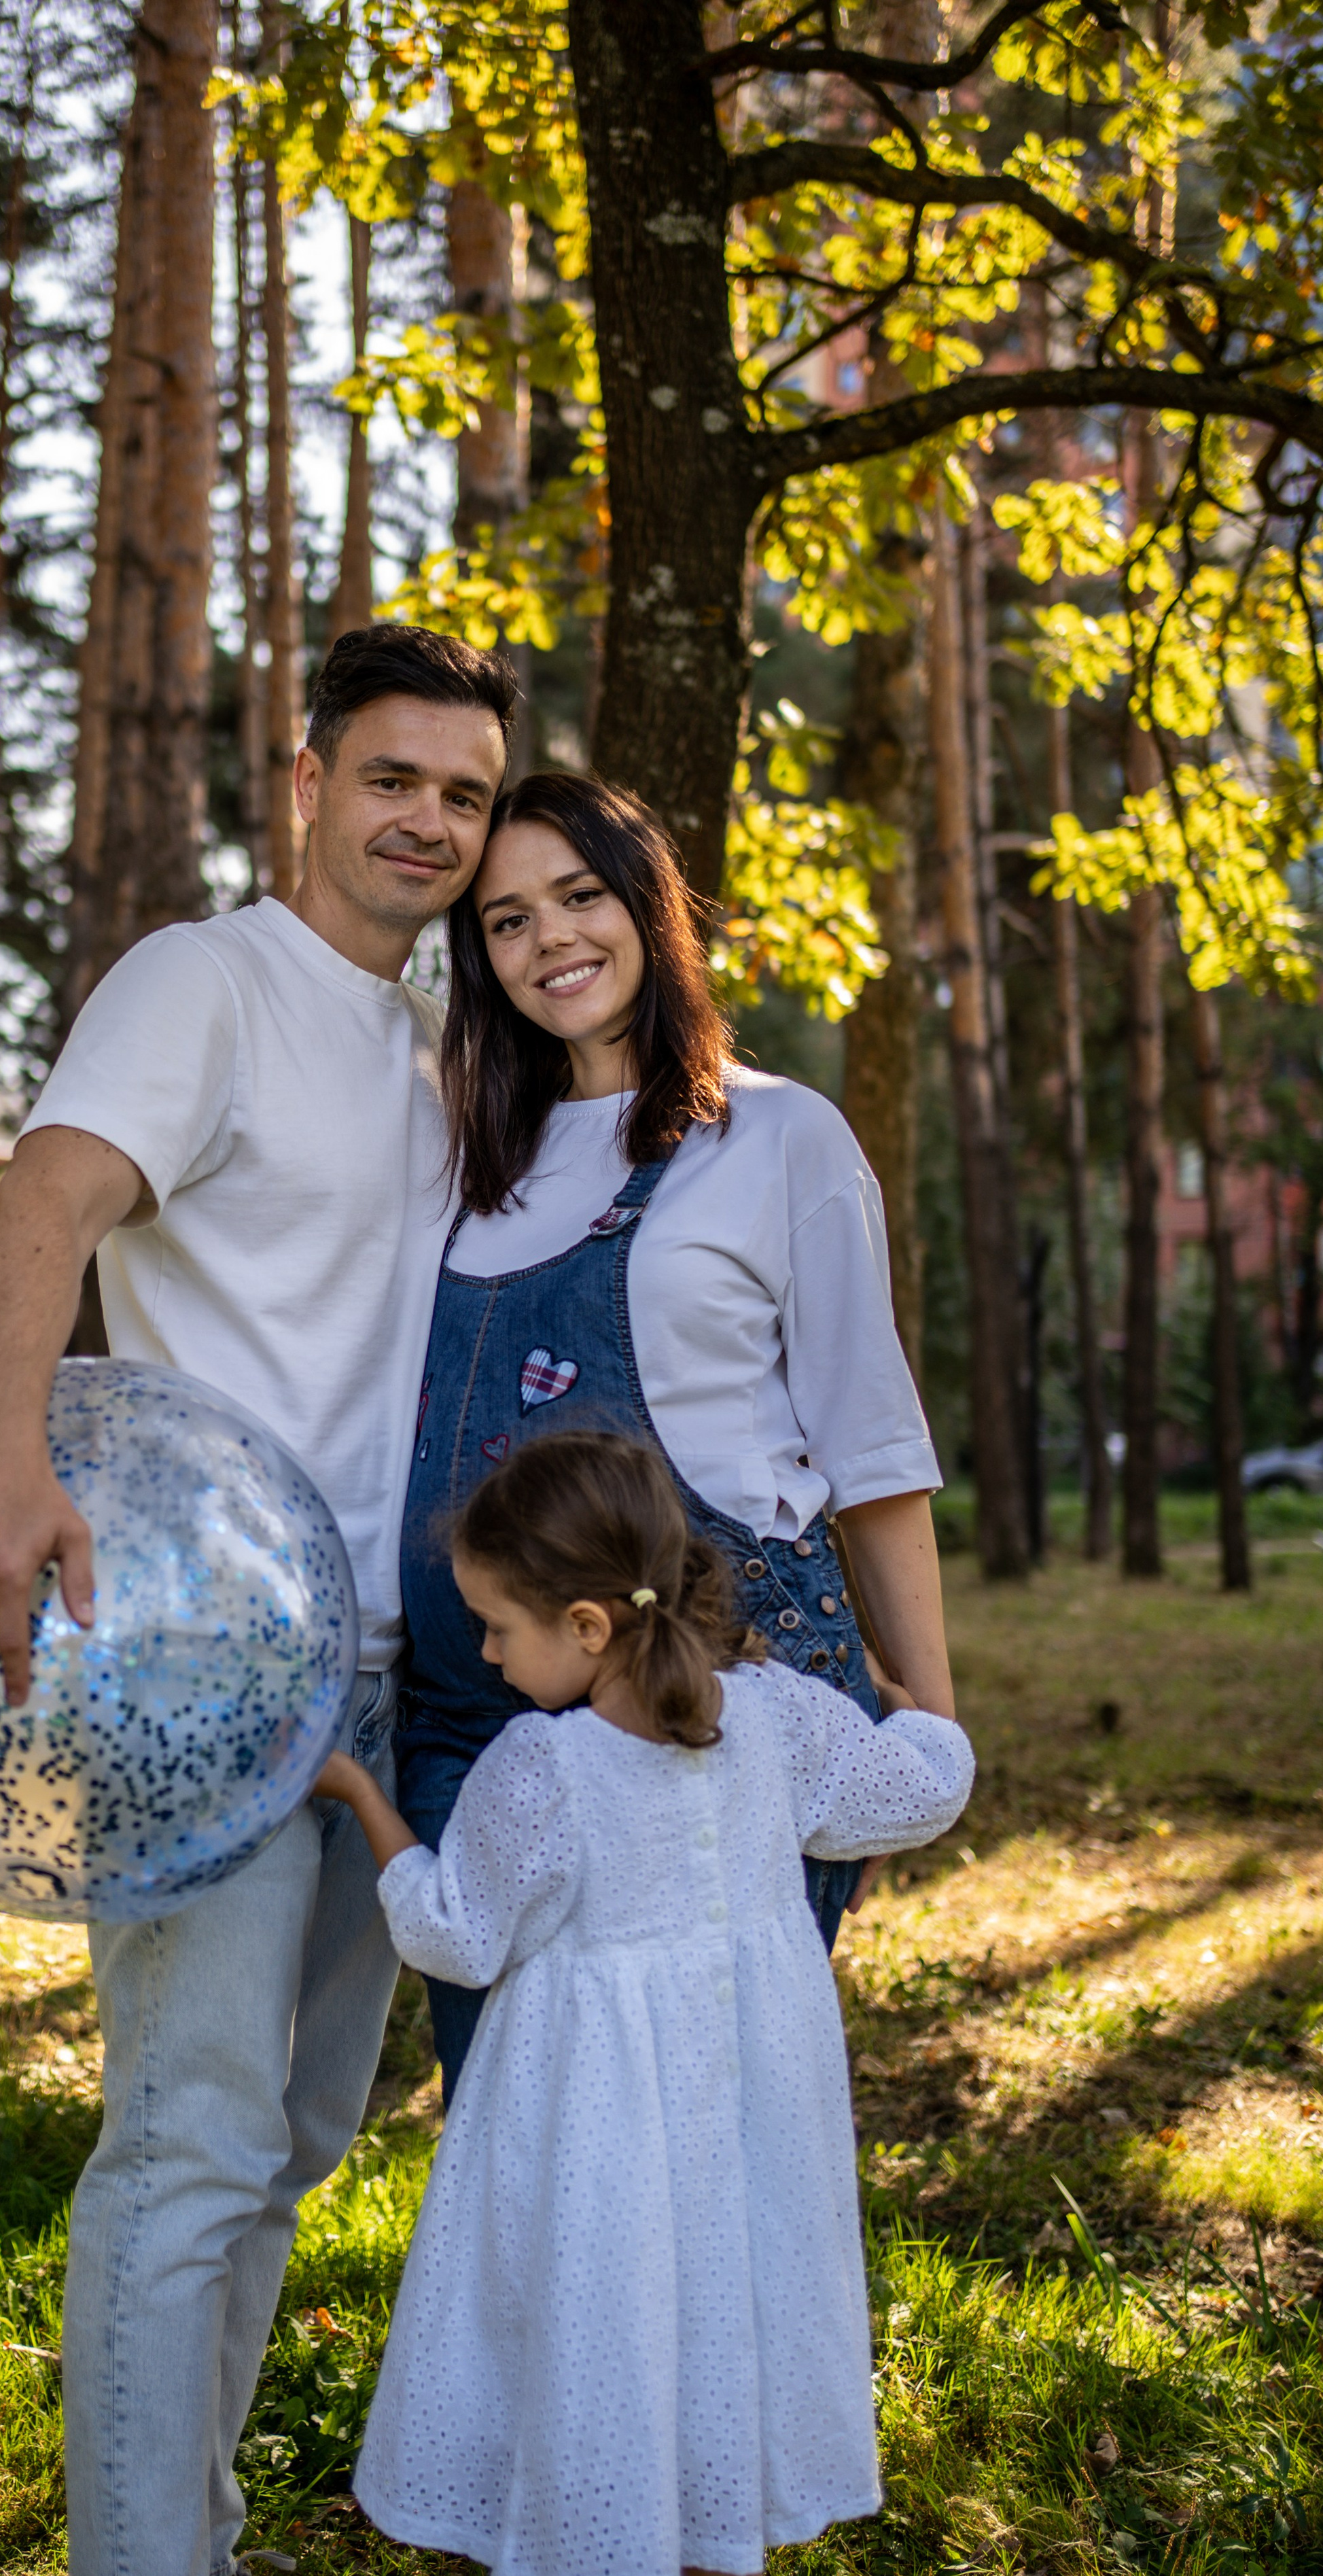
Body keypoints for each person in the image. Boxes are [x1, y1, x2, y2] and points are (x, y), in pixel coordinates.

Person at [0, 624, 520, 2576]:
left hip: (400, 1660)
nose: (431, 820)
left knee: (296, 2138)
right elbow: (42, 1210)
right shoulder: (204, 981)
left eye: (470, 795)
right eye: (397, 777)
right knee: (190, 2142)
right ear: (310, 780)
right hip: (210, 1656)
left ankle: (194, 2556)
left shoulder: (441, 1035)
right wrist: (4, 1462)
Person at [316, 1431, 974, 2576]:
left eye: (496, 1628)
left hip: (596, 2161)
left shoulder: (541, 1768)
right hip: (747, 2158)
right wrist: (911, 1711)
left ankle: (572, 2562)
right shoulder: (780, 1719)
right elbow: (922, 1790)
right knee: (717, 2411)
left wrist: (367, 1798)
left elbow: (454, 1934)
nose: (483, 1653)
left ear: (584, 1627)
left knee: (589, 2377)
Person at [398, 769, 953, 2093]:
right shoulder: (458, 1156)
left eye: (579, 897)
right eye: (506, 920)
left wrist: (921, 1713)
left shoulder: (773, 1138)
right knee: (515, 2121)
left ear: (648, 905)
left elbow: (870, 1454)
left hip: (719, 1704)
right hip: (473, 1709)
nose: (550, 942)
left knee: (698, 2120)